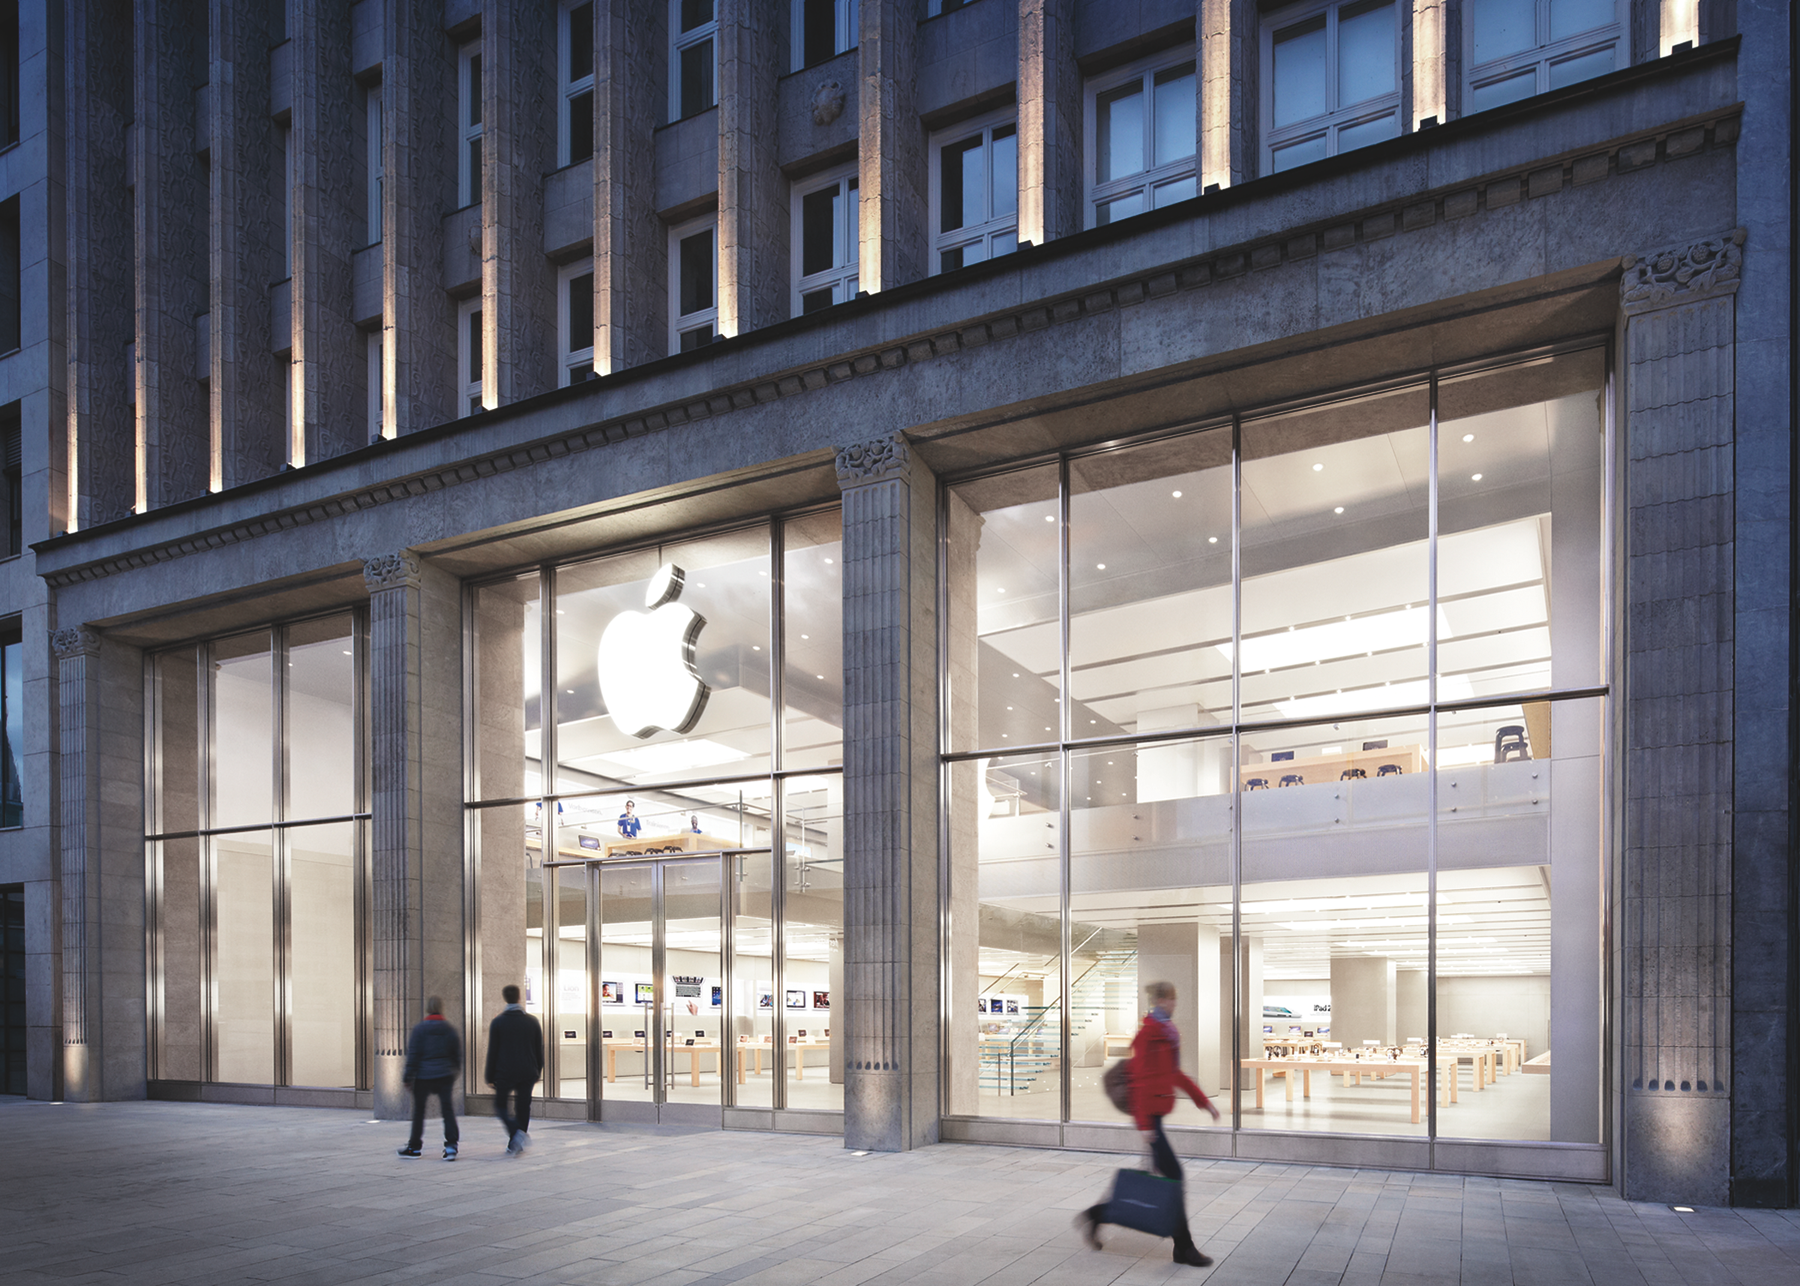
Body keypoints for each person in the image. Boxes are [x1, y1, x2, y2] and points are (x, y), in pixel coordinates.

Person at [1078, 981, 1219, 1267]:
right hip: (1149, 1119)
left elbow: (1175, 1074)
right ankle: (1184, 1247)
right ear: (1161, 1000)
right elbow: (1140, 1083)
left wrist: (1203, 1101)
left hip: (1156, 1116)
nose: (1174, 1004)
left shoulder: (1167, 1033)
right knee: (1174, 1177)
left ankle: (1098, 1214)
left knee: (1172, 1178)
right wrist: (1145, 1126)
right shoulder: (1147, 1037)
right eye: (1171, 999)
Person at [398, 996, 462, 1160]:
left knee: (419, 1112)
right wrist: (454, 1071)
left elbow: (413, 1055)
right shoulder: (449, 1029)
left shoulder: (420, 1029)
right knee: (447, 1111)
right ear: (441, 1008)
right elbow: (456, 1054)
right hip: (445, 1075)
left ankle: (414, 1147)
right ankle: (451, 1147)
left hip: (423, 1075)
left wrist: (408, 1077)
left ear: (428, 1008)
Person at [484, 984, 544, 1155]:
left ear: (505, 999)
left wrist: (489, 1075)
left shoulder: (498, 1022)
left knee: (500, 1105)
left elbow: (493, 1050)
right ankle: (518, 1137)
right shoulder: (532, 1021)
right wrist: (537, 1070)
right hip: (527, 1071)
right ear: (519, 998)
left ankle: (514, 1135)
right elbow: (538, 1049)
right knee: (523, 1106)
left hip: (505, 1072)